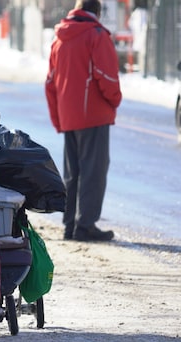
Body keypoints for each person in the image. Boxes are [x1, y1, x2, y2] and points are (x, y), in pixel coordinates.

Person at [44, 0, 122, 242]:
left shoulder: (59, 40)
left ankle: (70, 224)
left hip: (70, 117)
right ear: (97, 12)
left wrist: (59, 119)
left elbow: (50, 84)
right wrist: (114, 100)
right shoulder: (96, 36)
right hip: (94, 115)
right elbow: (106, 76)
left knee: (73, 173)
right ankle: (85, 225)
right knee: (93, 171)